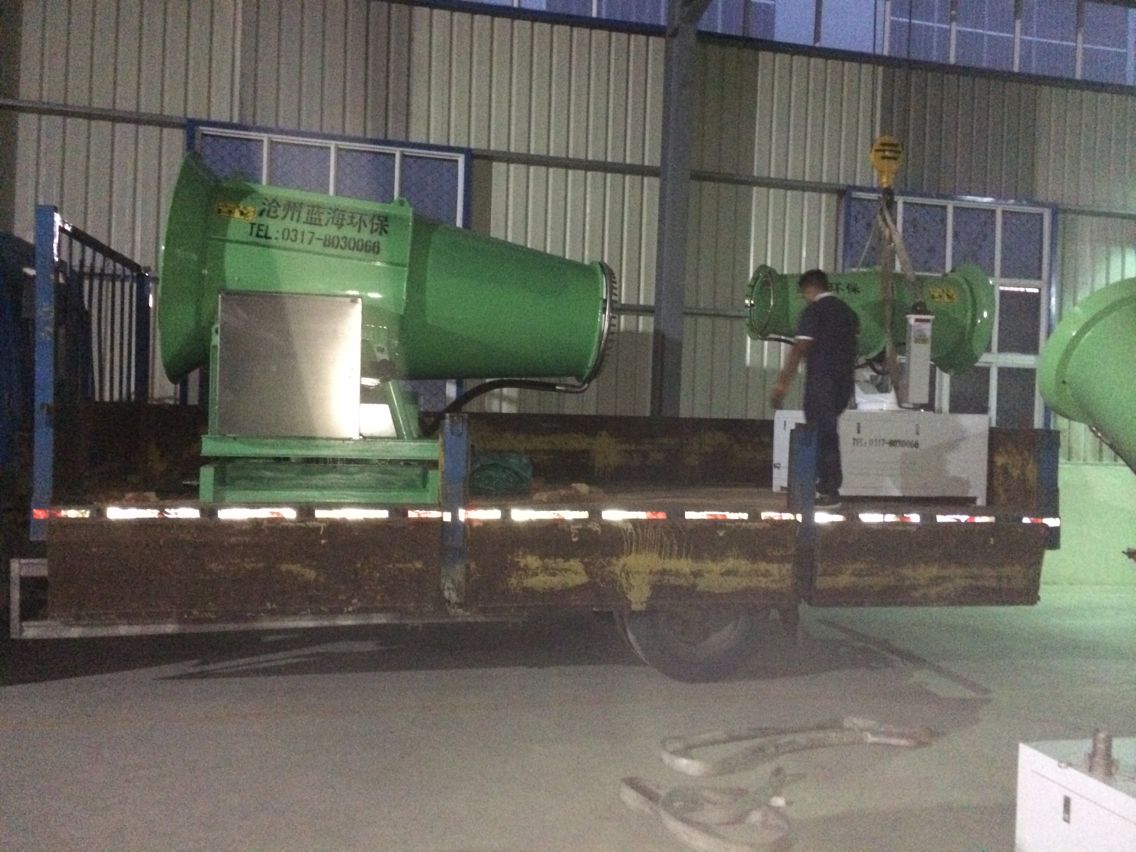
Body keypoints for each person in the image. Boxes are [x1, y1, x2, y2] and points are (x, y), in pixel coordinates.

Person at [769, 269, 859, 508]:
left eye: (803, 294)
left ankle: (828, 490)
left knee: (821, 434)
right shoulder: (847, 312)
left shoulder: (814, 312)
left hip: (821, 382)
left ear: (810, 288)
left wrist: (782, 384)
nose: (804, 298)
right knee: (828, 432)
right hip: (843, 384)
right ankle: (824, 486)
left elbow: (801, 348)